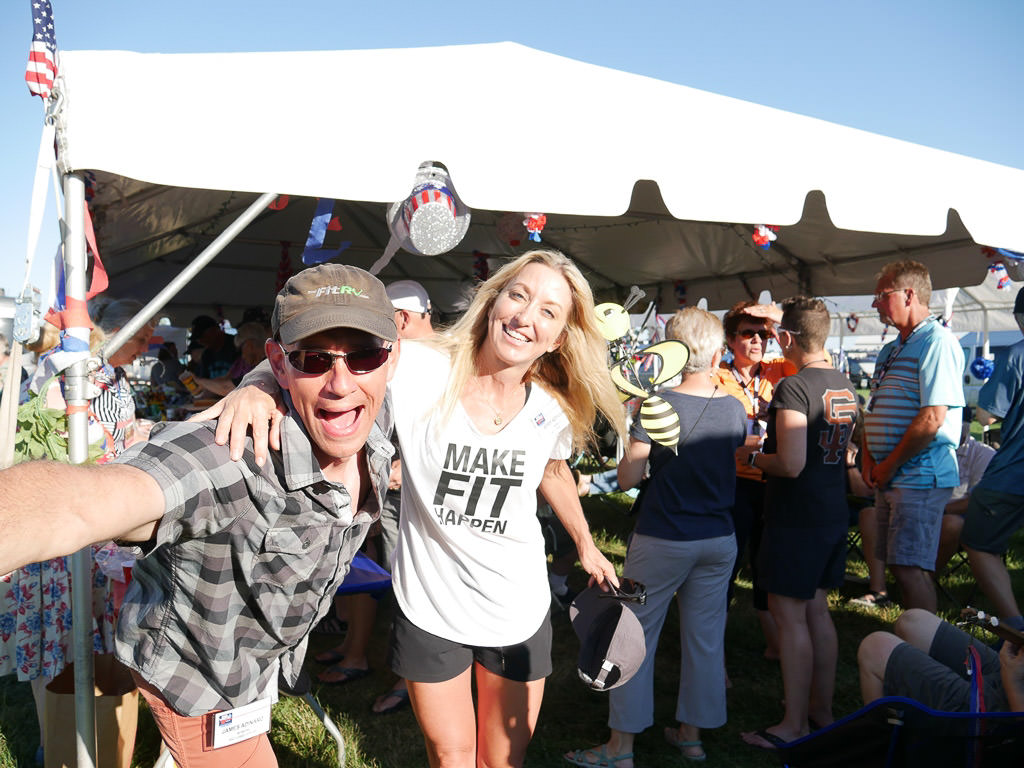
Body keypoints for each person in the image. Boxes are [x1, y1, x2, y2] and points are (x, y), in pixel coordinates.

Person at [208, 250, 626, 768]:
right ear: (492, 300)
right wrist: (256, 387)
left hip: (517, 605)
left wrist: (587, 544)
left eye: (548, 311)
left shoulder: (550, 406)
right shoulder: (421, 366)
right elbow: (326, 362)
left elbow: (553, 470)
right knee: (450, 756)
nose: (525, 317)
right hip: (431, 602)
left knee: (503, 760)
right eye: (518, 295)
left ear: (560, 336)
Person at [0, 263, 400, 767]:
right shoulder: (231, 457)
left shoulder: (375, 412)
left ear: (392, 357)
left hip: (256, 663)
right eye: (314, 358)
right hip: (201, 681)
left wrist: (256, 380)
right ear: (281, 363)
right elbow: (78, 505)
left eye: (364, 356)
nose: (340, 383)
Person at [565, 307, 745, 767]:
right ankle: (691, 737)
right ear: (718, 353)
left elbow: (627, 478)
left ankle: (620, 748)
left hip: (665, 536)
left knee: (632, 636)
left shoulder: (657, 406)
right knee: (706, 638)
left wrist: (631, 436)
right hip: (718, 537)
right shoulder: (733, 407)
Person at [1, 297, 155, 764]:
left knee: (74, 639)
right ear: (113, 332)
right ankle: (61, 738)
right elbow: (87, 449)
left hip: (80, 527)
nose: (147, 344)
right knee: (64, 637)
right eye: (142, 335)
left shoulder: (103, 375)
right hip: (73, 524)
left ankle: (71, 733)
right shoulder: (81, 375)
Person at [736, 297, 858, 748]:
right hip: (831, 512)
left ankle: (792, 725)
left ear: (787, 337)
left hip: (796, 517)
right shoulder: (845, 384)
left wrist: (751, 456)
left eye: (775, 336)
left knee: (790, 618)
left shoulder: (793, 387)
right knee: (817, 612)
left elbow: (789, 462)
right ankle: (820, 714)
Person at [313, 279, 435, 717]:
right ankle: (358, 649)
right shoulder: (436, 355)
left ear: (400, 319)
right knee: (378, 567)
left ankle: (410, 678)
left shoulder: (425, 359)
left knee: (409, 580)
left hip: (413, 494)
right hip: (386, 486)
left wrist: (412, 466)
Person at [862, 260, 965, 613]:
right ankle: (914, 641)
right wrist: (869, 458)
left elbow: (933, 418)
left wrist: (887, 465)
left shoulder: (937, 342)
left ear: (909, 294)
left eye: (881, 294)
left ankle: (924, 651)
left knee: (911, 567)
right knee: (899, 563)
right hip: (893, 475)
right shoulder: (893, 348)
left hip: (919, 475)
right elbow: (873, 408)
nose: (875, 303)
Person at [714, 301, 795, 660]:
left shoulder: (779, 369)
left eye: (763, 335)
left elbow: (802, 347)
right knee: (726, 564)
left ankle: (776, 644)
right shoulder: (718, 376)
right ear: (731, 340)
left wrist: (772, 320)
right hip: (734, 482)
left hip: (772, 480)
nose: (759, 340)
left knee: (768, 561)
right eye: (748, 333)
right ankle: (712, 643)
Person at [961, 286, 1024, 629]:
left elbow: (986, 416)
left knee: (978, 543)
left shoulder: (1016, 354)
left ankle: (1014, 626)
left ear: (1018, 319)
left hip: (1013, 474)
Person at [857, 608, 1024, 713]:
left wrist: (1014, 683)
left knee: (875, 647)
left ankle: (884, 749)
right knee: (913, 621)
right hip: (1008, 681)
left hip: (1007, 711)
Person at [935, 408, 995, 574]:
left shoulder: (984, 455)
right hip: (924, 512)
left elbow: (977, 501)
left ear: (966, 427)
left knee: (952, 524)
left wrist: (940, 510)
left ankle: (924, 580)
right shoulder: (928, 448)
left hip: (962, 520)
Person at [192, 321, 270, 396]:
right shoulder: (242, 363)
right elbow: (224, 380)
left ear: (249, 345)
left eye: (241, 349)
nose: (242, 355)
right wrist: (203, 385)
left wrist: (198, 381)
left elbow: (227, 387)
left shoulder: (265, 365)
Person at [189, 314, 239, 379]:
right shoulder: (207, 354)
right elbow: (204, 380)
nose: (199, 341)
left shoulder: (237, 346)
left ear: (215, 330)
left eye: (201, 336)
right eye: (197, 338)